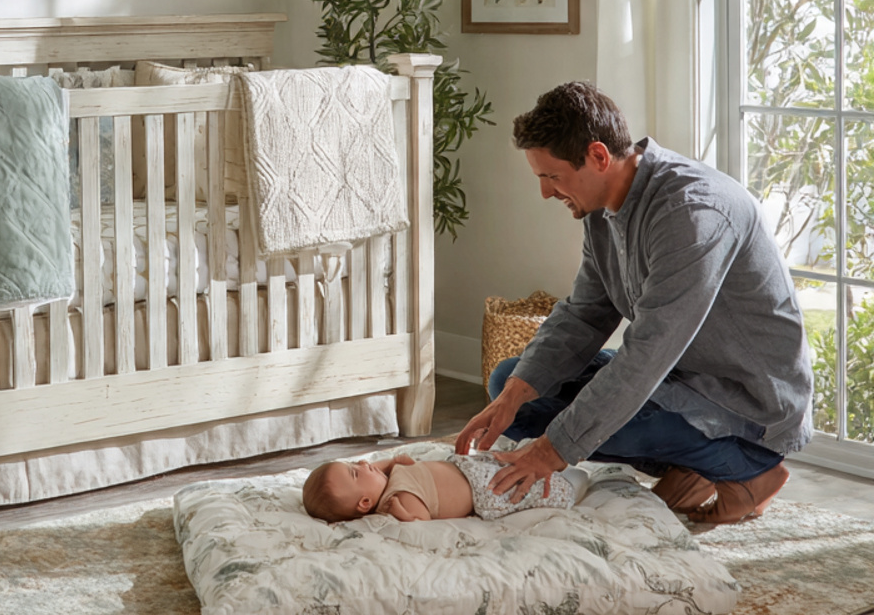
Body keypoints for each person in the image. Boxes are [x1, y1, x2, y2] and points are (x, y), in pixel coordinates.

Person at [456, 82, 813, 526]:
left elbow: (646, 357)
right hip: (674, 380)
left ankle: (749, 470)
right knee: (511, 381)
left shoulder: (693, 213)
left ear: (599, 157)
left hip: (745, 400)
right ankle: (693, 466)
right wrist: (511, 398)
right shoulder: (602, 208)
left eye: (552, 177)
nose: (546, 193)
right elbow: (584, 314)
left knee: (615, 418)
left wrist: (550, 453)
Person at [302, 452, 587, 523]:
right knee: (529, 488)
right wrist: (398, 511)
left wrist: (379, 466)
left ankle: (562, 460)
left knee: (520, 462)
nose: (364, 462)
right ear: (365, 504)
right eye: (355, 471)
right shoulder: (398, 498)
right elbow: (420, 521)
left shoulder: (388, 476)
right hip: (486, 491)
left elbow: (403, 459)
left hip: (471, 468)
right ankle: (573, 487)